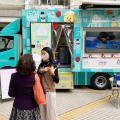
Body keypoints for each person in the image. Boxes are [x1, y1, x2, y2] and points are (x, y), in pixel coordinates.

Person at [8, 54, 45, 120]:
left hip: (18, 107)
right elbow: (43, 92)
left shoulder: (13, 76)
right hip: (33, 108)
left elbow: (11, 94)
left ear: (19, 65)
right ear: (32, 66)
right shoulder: (37, 77)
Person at [37, 47, 59, 120]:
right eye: (42, 53)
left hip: (50, 91)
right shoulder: (41, 66)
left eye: (44, 53)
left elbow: (57, 80)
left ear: (49, 54)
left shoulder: (53, 66)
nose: (42, 55)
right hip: (41, 92)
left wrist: (52, 73)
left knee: (51, 113)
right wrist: (42, 70)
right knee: (42, 113)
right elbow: (36, 77)